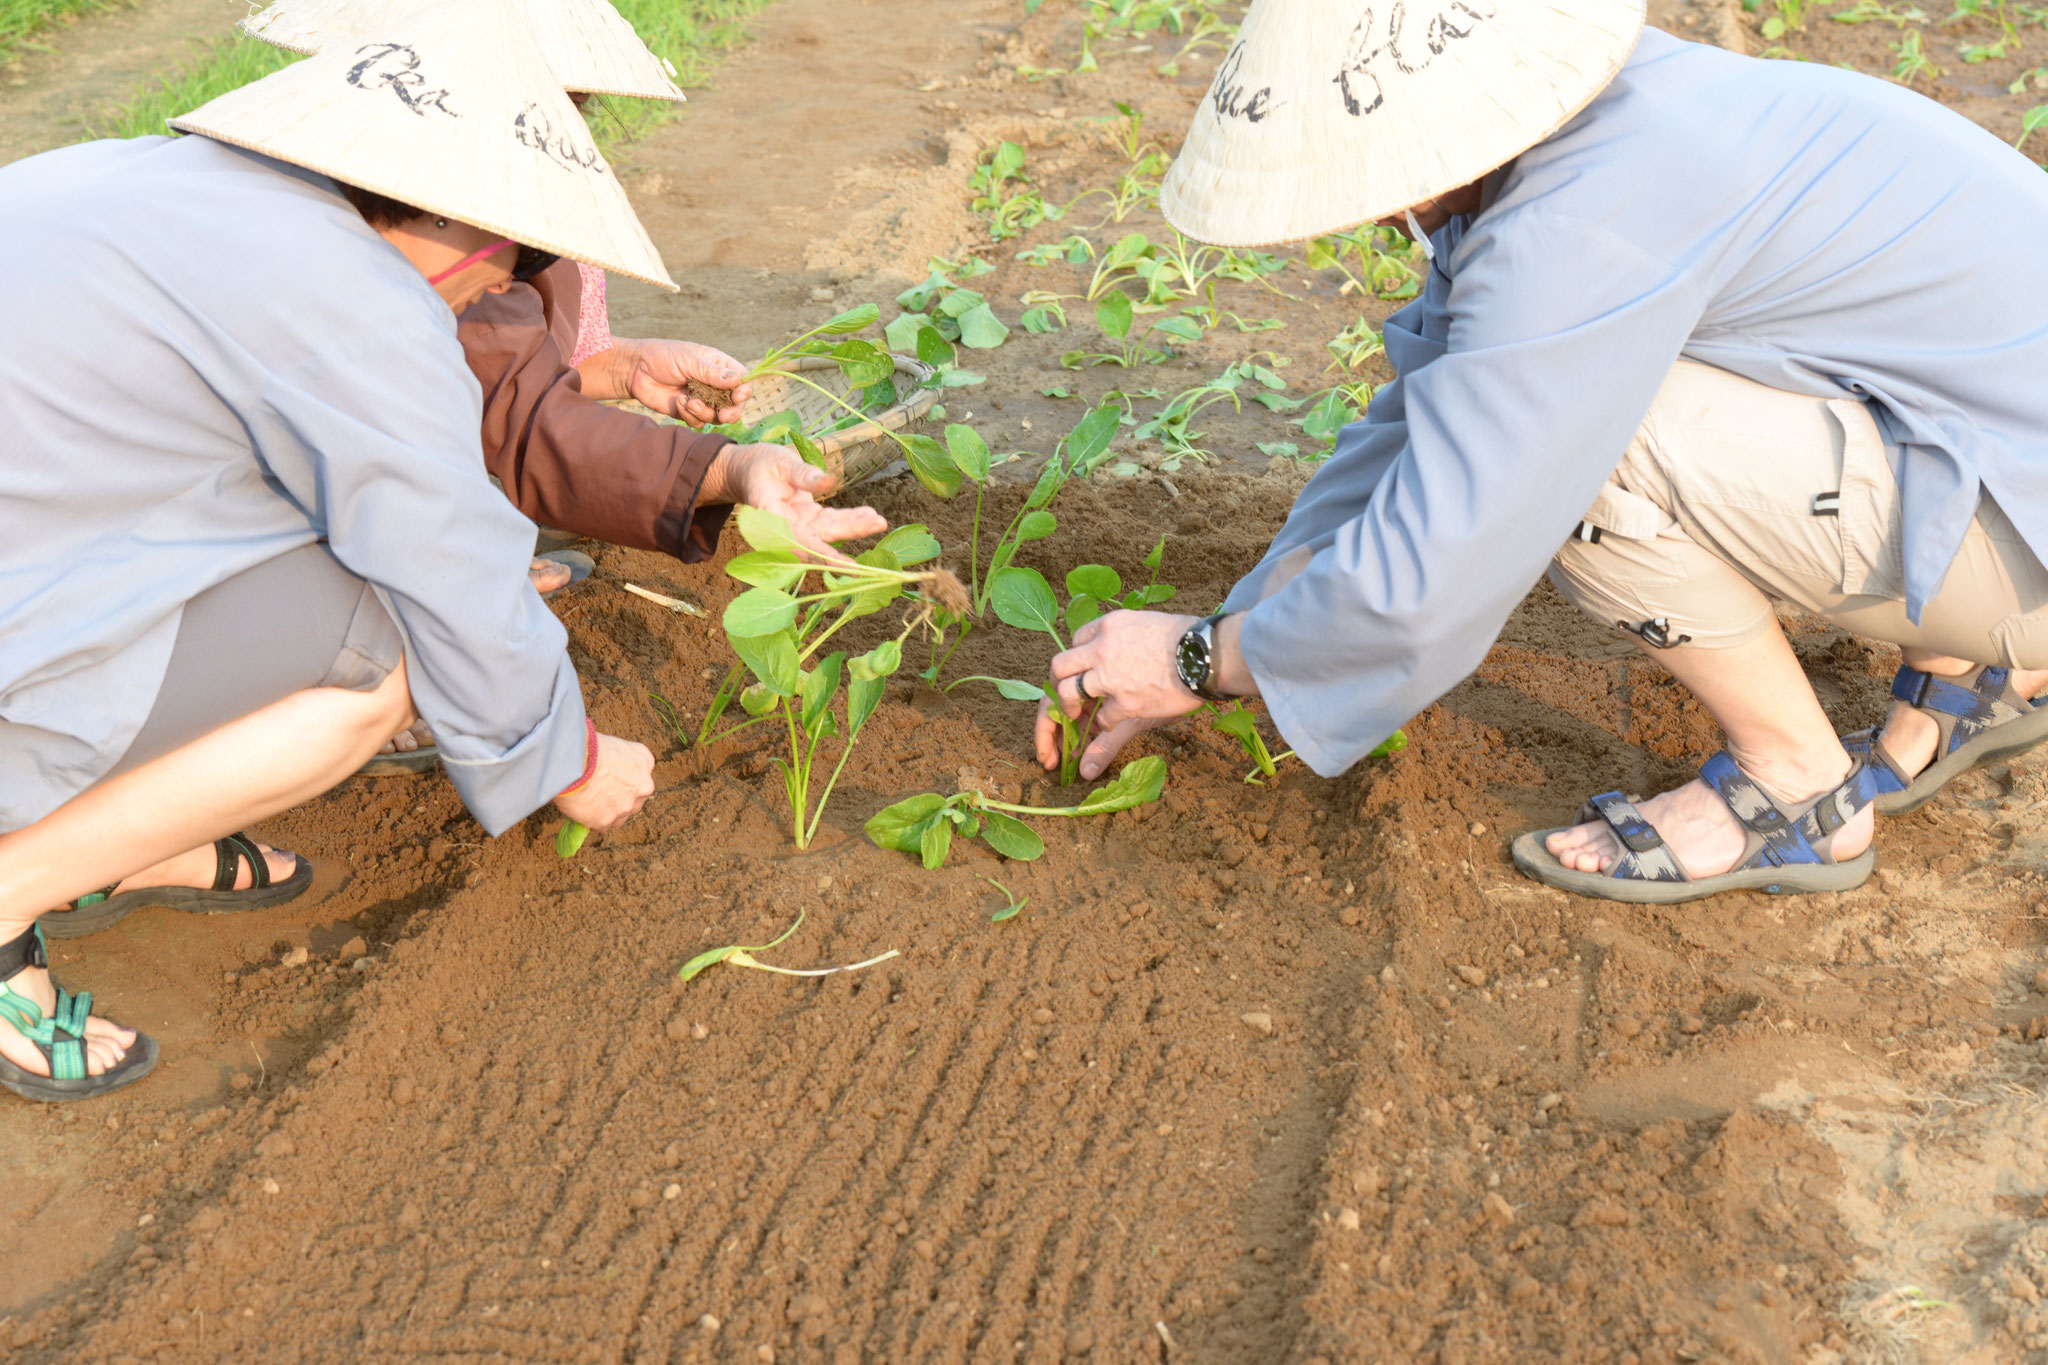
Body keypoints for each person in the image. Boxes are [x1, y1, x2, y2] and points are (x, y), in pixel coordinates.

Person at [0, 6, 851, 1100]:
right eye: (523, 255)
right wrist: (571, 760)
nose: (507, 288)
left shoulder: (173, 185)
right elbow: (454, 568)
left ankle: (107, 843)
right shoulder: (347, 297)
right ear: (482, 230)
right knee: (381, 649)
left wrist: (622, 402)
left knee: (329, 547)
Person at [1035, 0, 2048, 903]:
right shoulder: (1619, 110)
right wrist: (1228, 627)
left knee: (1587, 446)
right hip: (2004, 454)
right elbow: (1421, 416)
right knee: (1551, 410)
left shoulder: (1573, 231)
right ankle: (1974, 670)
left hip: (2024, 539)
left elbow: (1445, 553)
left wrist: (1203, 662)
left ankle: (1793, 785)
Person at [239, 0, 885, 772]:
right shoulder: (410, 222)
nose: (567, 137)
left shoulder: (351, 179)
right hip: (202, 528)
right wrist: (726, 467)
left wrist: (622, 367)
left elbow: (494, 383)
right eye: (554, 115)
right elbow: (521, 424)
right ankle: (351, 652)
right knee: (384, 655)